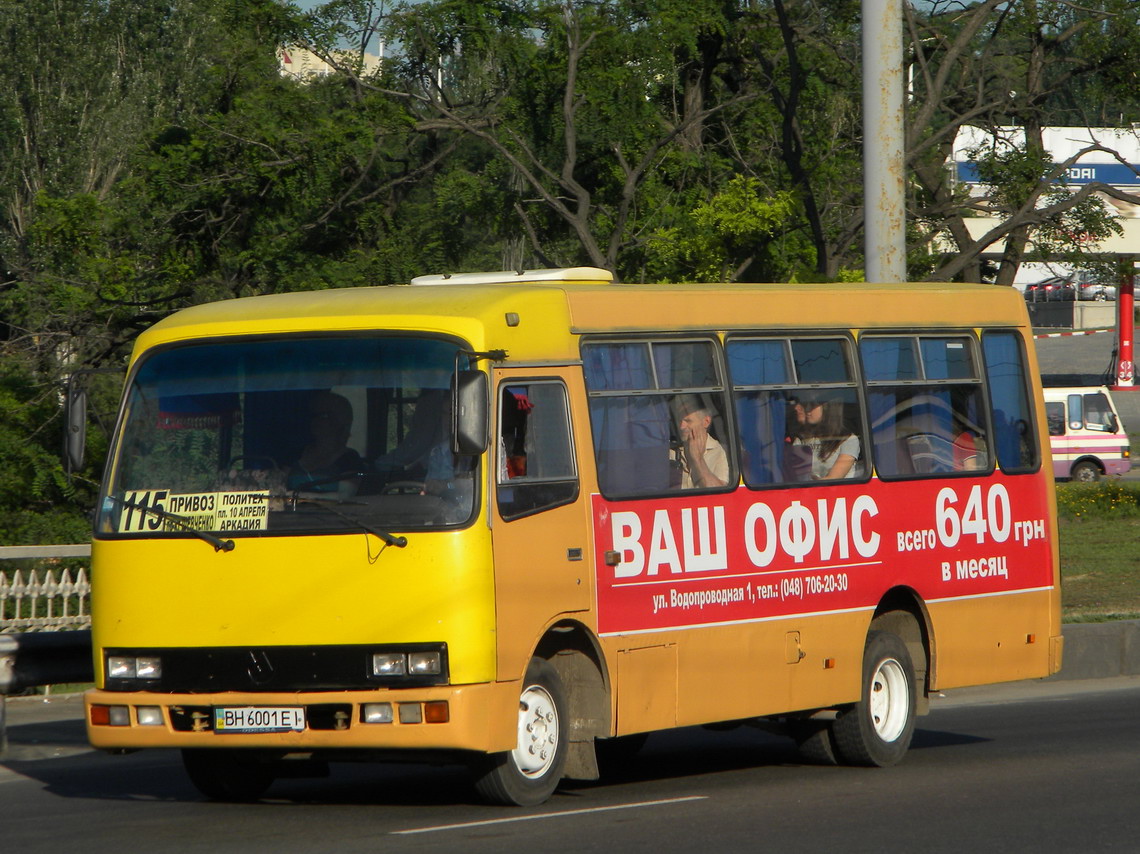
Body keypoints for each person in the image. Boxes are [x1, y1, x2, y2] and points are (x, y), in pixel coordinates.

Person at [287, 391, 363, 493]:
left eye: (323, 416)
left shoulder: (349, 459)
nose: (315, 420)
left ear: (341, 422)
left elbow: (345, 497)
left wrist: (303, 498)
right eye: (313, 415)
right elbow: (277, 486)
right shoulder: (296, 454)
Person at [789, 393, 861, 480]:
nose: (807, 410)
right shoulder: (802, 438)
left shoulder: (849, 440)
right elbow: (795, 474)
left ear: (828, 407)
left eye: (813, 405)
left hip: (837, 492)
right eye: (807, 405)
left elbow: (833, 478)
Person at [670, 395, 729, 489]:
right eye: (679, 420)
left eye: (688, 421)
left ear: (706, 421)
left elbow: (719, 494)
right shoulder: (671, 450)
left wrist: (698, 459)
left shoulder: (720, 451)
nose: (681, 426)